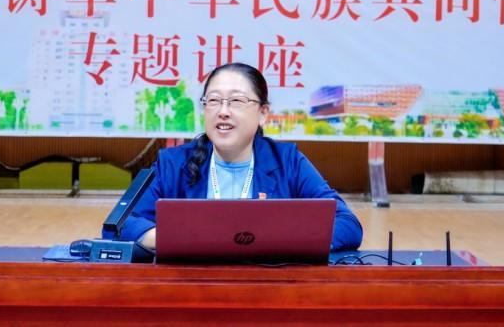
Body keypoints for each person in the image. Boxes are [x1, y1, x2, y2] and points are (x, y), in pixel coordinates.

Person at [105, 62, 363, 251]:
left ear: (263, 113)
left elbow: (347, 224)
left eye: (237, 101)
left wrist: (275, 240)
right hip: (191, 287)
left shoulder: (287, 162)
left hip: (269, 288)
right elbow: (122, 224)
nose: (223, 111)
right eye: (214, 101)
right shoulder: (173, 164)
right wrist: (185, 240)